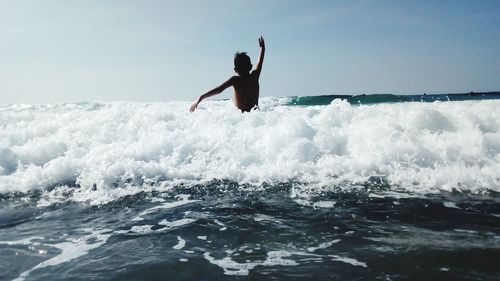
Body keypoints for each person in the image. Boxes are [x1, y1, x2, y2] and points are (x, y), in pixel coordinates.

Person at [190, 36, 265, 112]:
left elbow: (219, 89)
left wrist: (201, 97)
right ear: (250, 67)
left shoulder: (235, 80)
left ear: (235, 70)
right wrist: (262, 49)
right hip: (255, 116)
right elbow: (260, 62)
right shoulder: (254, 76)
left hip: (242, 118)